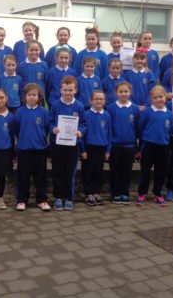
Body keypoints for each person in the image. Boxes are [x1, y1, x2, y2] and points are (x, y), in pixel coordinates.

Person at [49, 76, 86, 211]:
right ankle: (58, 197)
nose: (68, 92)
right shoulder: (55, 105)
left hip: (72, 145)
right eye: (65, 90)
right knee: (58, 171)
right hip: (57, 144)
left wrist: (80, 131)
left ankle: (69, 198)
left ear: (75, 90)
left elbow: (83, 123)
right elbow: (50, 122)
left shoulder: (79, 106)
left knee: (70, 172)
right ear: (61, 90)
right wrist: (53, 129)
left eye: (70, 90)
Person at [14, 83, 50, 212]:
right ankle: (22, 200)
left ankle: (42, 200)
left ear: (39, 97)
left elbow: (46, 129)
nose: (31, 97)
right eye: (29, 95)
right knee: (23, 177)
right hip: (24, 150)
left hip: (40, 150)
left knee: (40, 177)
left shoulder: (43, 111)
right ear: (24, 97)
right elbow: (17, 129)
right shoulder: (20, 111)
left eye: (34, 95)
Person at [136, 86, 173, 206]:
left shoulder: (169, 114)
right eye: (155, 97)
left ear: (165, 97)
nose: (158, 99)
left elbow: (170, 129)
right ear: (151, 99)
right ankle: (142, 193)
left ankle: (158, 193)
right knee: (145, 171)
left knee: (161, 172)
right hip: (148, 146)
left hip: (163, 146)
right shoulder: (147, 112)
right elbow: (141, 127)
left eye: (160, 96)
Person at [107, 81, 140, 204]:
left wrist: (137, 147)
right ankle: (115, 192)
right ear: (116, 93)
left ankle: (125, 192)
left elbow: (137, 128)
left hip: (129, 146)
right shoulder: (111, 108)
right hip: (115, 145)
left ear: (130, 92)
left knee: (127, 170)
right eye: (120, 91)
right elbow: (109, 128)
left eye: (126, 91)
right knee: (115, 170)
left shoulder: (135, 108)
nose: (123, 94)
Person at [81, 90, 112, 206]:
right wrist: (83, 150)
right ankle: (88, 193)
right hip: (89, 148)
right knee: (87, 171)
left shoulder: (107, 115)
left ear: (105, 101)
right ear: (91, 101)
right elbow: (82, 134)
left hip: (101, 148)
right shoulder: (86, 114)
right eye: (96, 99)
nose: (99, 101)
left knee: (98, 172)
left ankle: (96, 192)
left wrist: (108, 150)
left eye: (101, 99)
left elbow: (109, 134)